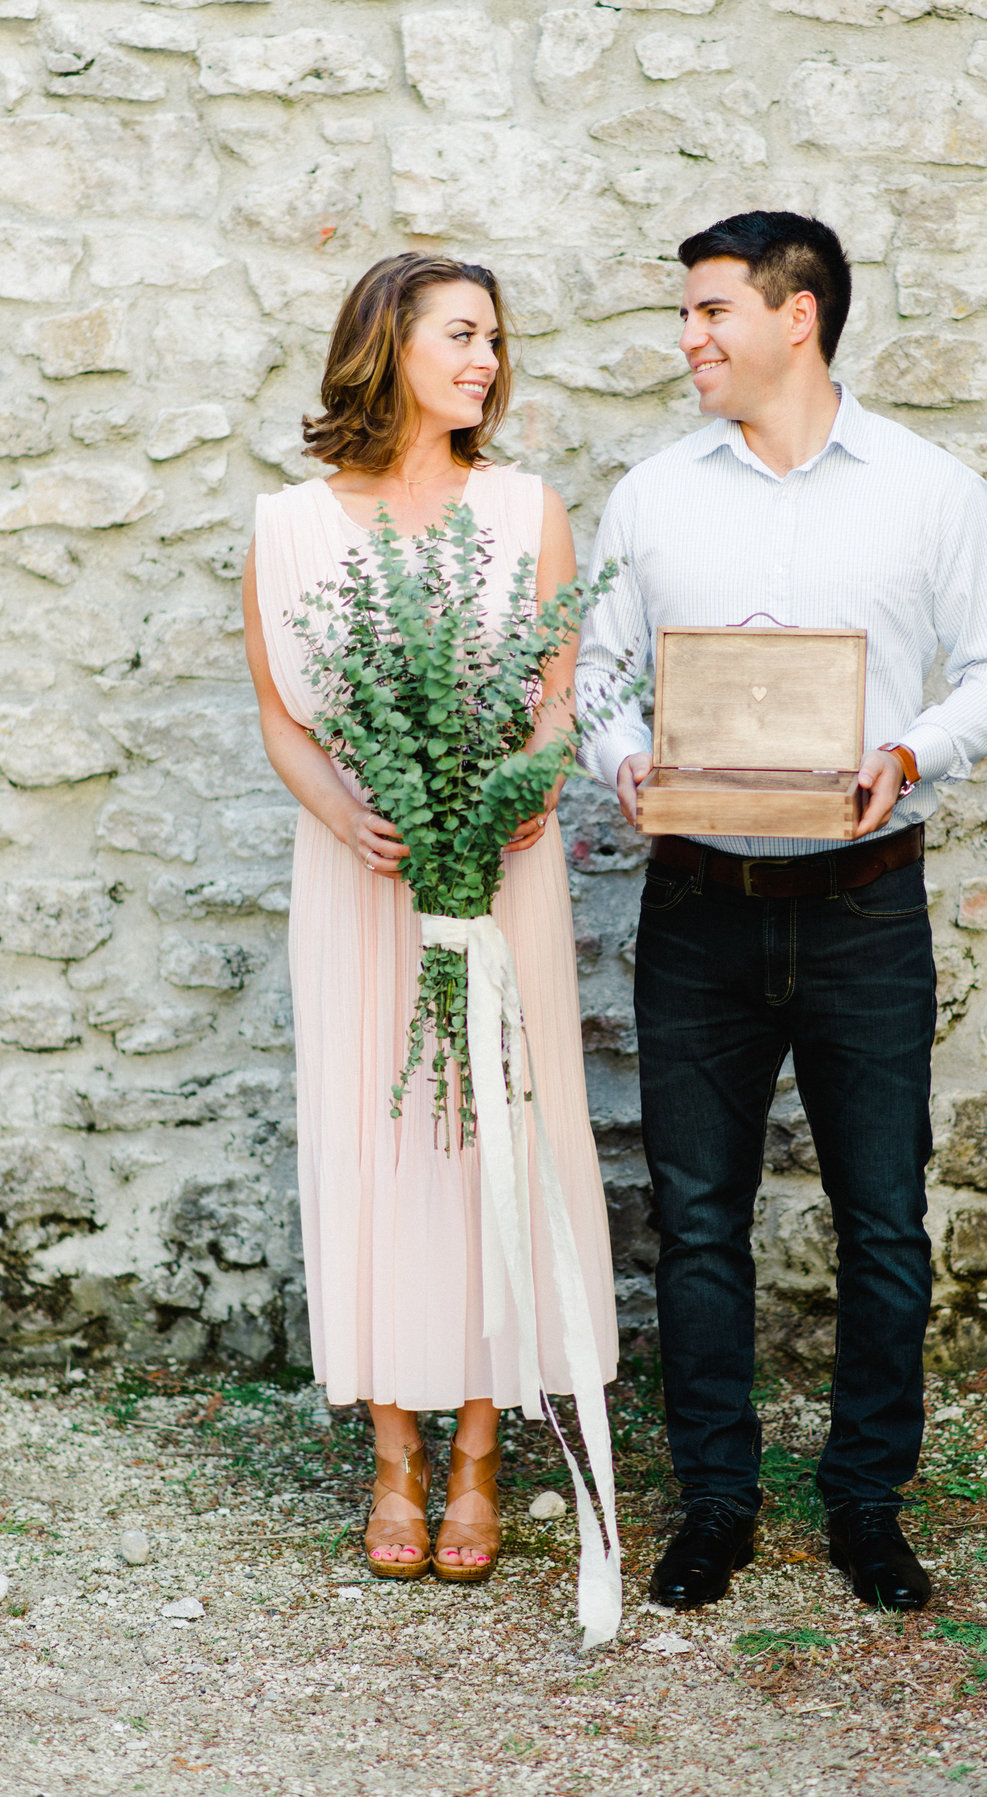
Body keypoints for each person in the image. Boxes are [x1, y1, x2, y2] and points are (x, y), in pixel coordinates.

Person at [575, 211, 987, 1613]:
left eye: (712, 310)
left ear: (801, 317)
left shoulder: (926, 486)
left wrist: (909, 753)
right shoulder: (654, 494)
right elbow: (598, 672)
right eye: (685, 313)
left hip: (864, 908)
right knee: (698, 1217)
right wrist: (625, 756)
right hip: (699, 908)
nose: (690, 337)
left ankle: (866, 1504)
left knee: (884, 1220)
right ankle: (716, 1500)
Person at [243, 253, 618, 1586]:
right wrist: (349, 819)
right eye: (462, 334)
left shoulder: (524, 510)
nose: (486, 361)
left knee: (496, 1139)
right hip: (363, 878)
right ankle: (392, 1446)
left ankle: (477, 1450)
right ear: (385, 341)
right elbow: (284, 717)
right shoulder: (291, 527)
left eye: (496, 342)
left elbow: (559, 695)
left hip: (495, 876)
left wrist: (532, 785)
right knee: (377, 1132)